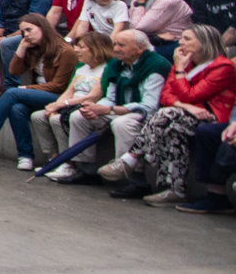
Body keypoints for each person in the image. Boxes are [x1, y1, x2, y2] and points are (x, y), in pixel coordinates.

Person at [99, 23, 235, 201]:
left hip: (212, 118)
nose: (181, 42)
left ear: (204, 42)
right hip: (185, 116)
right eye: (182, 38)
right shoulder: (186, 63)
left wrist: (179, 70)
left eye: (187, 39)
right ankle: (174, 190)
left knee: (165, 115)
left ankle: (130, 158)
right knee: (171, 131)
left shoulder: (222, 67)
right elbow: (165, 96)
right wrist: (187, 106)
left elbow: (190, 95)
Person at [45, 28, 169, 184]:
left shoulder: (156, 65)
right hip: (119, 109)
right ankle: (87, 170)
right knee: (79, 116)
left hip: (146, 114)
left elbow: (149, 106)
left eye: (122, 45)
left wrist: (109, 110)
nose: (116, 49)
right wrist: (96, 109)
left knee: (121, 123)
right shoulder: (117, 63)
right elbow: (111, 97)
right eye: (115, 44)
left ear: (140, 48)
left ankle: (134, 179)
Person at [0, 13, 75, 170]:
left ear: (43, 28)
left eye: (29, 30)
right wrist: (22, 48)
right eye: (23, 32)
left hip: (59, 97)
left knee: (12, 93)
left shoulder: (65, 51)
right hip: (39, 95)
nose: (26, 35)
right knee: (16, 108)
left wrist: (27, 88)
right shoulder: (34, 49)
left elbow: (59, 86)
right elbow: (14, 71)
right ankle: (25, 156)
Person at [30, 31, 112, 166]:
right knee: (38, 116)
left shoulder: (106, 68)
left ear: (97, 48)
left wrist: (62, 105)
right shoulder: (81, 67)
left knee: (56, 119)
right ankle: (53, 158)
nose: (76, 50)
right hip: (70, 105)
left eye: (81, 47)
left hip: (85, 106)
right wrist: (55, 106)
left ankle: (68, 162)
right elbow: (69, 91)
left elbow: (93, 96)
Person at [125, 0, 190, 59]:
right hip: (154, 42)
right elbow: (133, 31)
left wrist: (140, 4)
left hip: (176, 44)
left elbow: (138, 29)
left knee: (133, 54)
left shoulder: (167, 0)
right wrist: (156, 38)